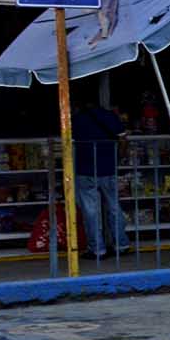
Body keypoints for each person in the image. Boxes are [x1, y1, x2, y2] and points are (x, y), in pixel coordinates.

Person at [70, 101, 129, 260]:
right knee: (114, 206)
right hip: (108, 169)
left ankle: (97, 249)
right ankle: (121, 245)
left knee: (91, 211)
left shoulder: (77, 119)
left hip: (85, 170)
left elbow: (69, 142)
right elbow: (123, 139)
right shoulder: (110, 116)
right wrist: (119, 158)